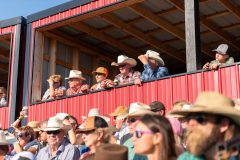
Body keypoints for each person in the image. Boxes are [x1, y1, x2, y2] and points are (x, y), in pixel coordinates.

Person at [169, 92, 240, 160]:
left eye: (200, 118)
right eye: (189, 118)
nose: (191, 123)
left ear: (223, 125)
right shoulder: (186, 158)